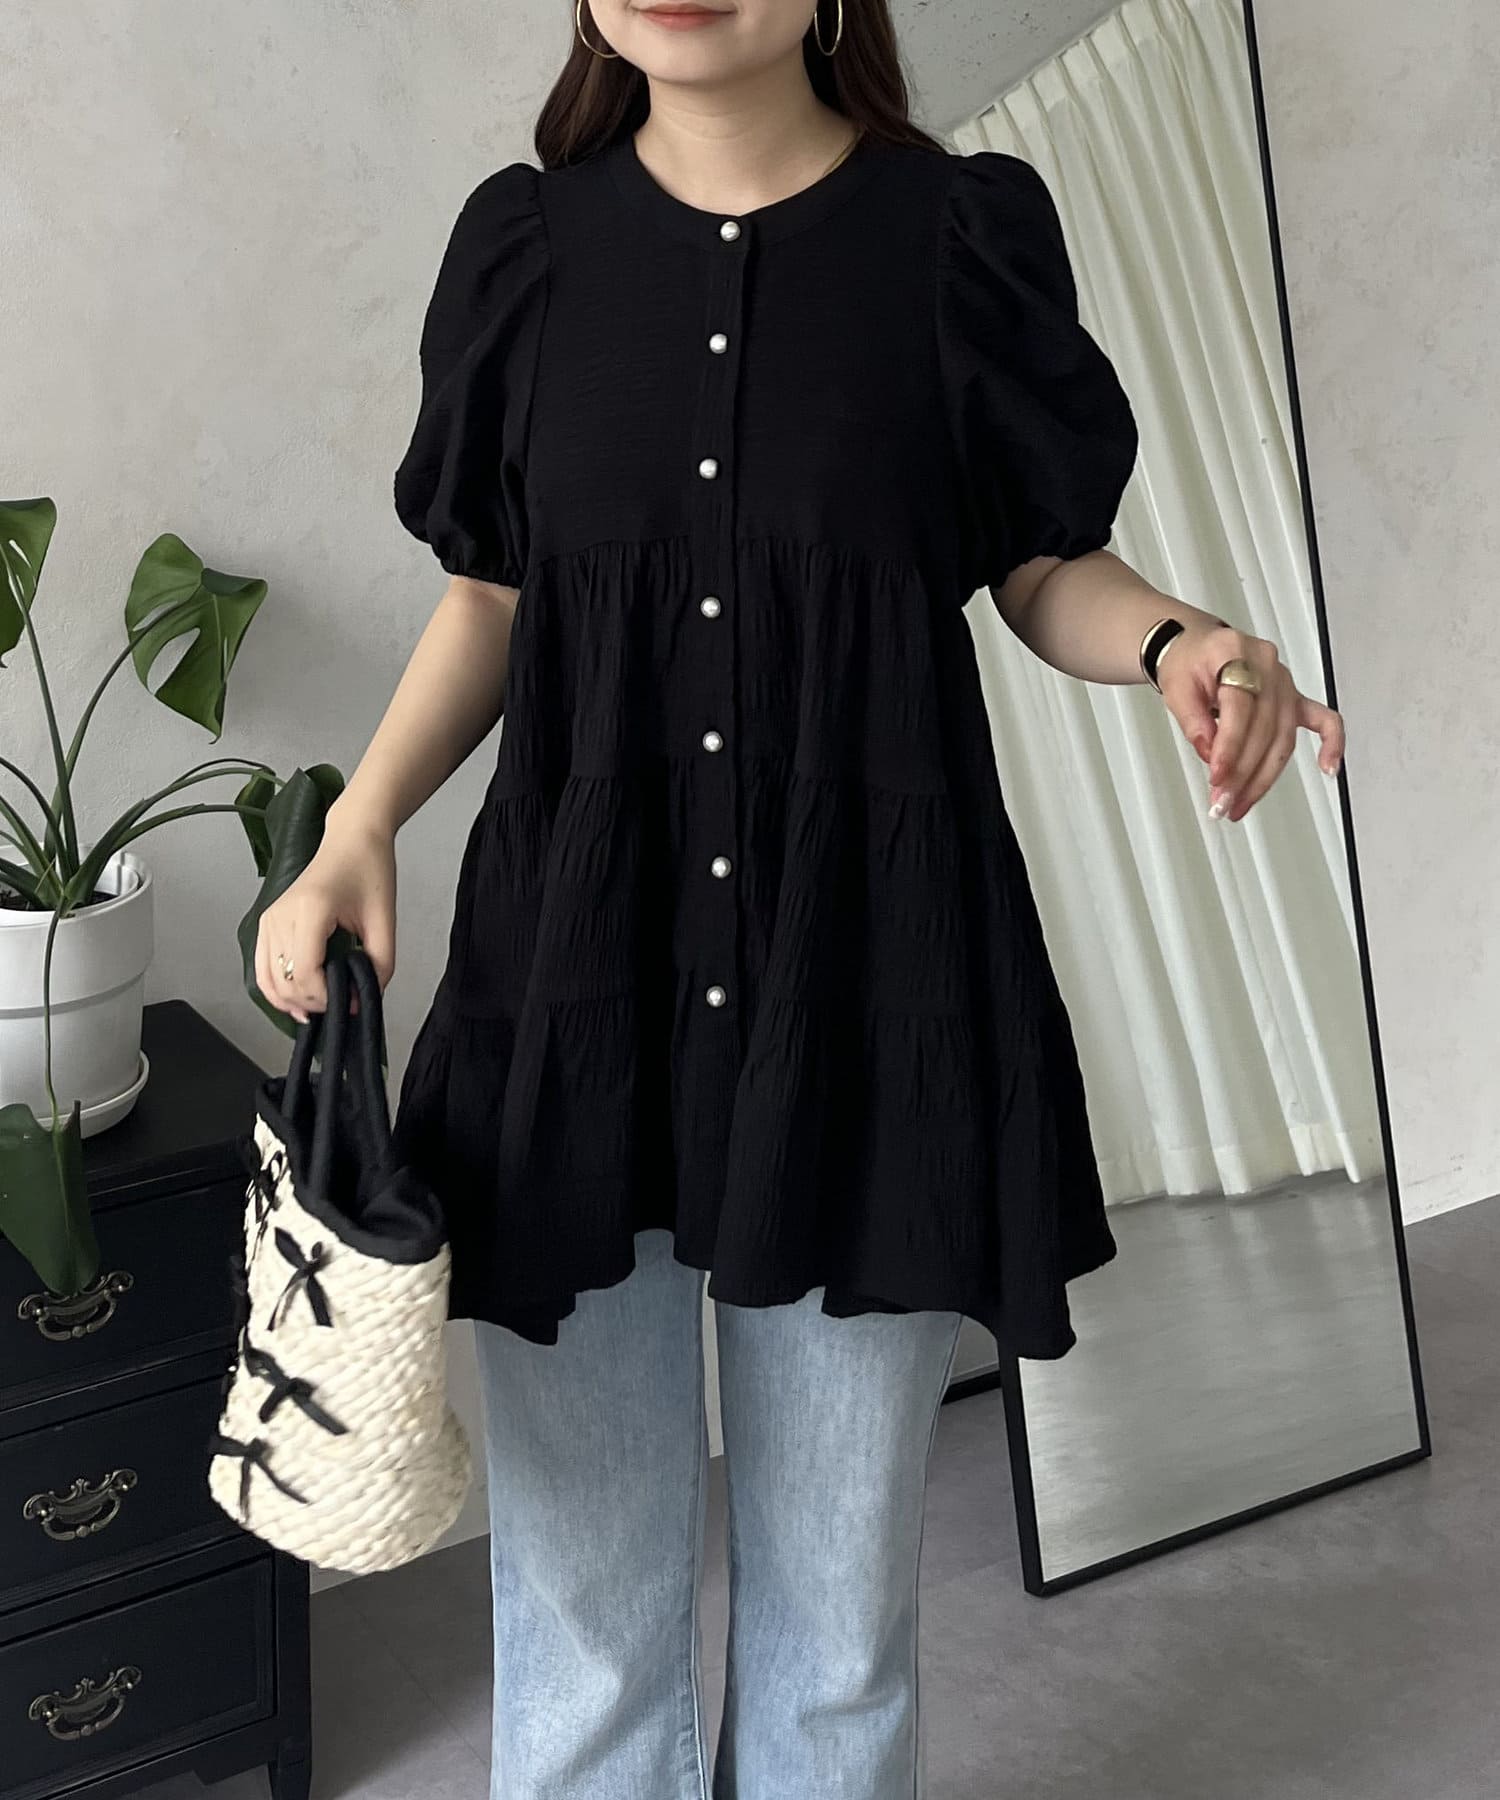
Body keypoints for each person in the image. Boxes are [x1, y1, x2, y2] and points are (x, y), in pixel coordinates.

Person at [254, 2, 1345, 1794]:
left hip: (870, 997)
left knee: (839, 1646)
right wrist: (359, 823)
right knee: (584, 1632)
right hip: (575, 999)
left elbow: (1040, 563)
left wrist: (1175, 641)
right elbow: (497, 593)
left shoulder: (955, 240)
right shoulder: (525, 252)